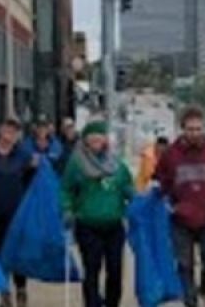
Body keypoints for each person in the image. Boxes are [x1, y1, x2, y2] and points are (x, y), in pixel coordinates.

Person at [156, 106, 205, 307]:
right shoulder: (170, 154)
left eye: (198, 129)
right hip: (180, 217)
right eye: (190, 129)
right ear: (182, 129)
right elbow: (161, 179)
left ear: (204, 129)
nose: (194, 133)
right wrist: (162, 196)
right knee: (184, 263)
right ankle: (190, 300)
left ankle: (204, 290)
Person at [61, 120, 135, 307]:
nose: (96, 141)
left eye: (99, 137)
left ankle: (112, 303)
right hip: (88, 225)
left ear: (105, 140)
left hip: (114, 226)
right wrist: (67, 209)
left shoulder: (117, 165)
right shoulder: (77, 164)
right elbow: (65, 189)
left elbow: (127, 187)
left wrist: (138, 200)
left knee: (115, 270)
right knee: (92, 269)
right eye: (92, 137)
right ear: (85, 140)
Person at [0, 118, 37, 307]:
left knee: (17, 254)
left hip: (17, 215)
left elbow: (33, 181)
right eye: (7, 130)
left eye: (14, 132)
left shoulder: (23, 155)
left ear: (17, 136)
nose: (9, 135)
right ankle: (4, 292)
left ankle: (21, 290)